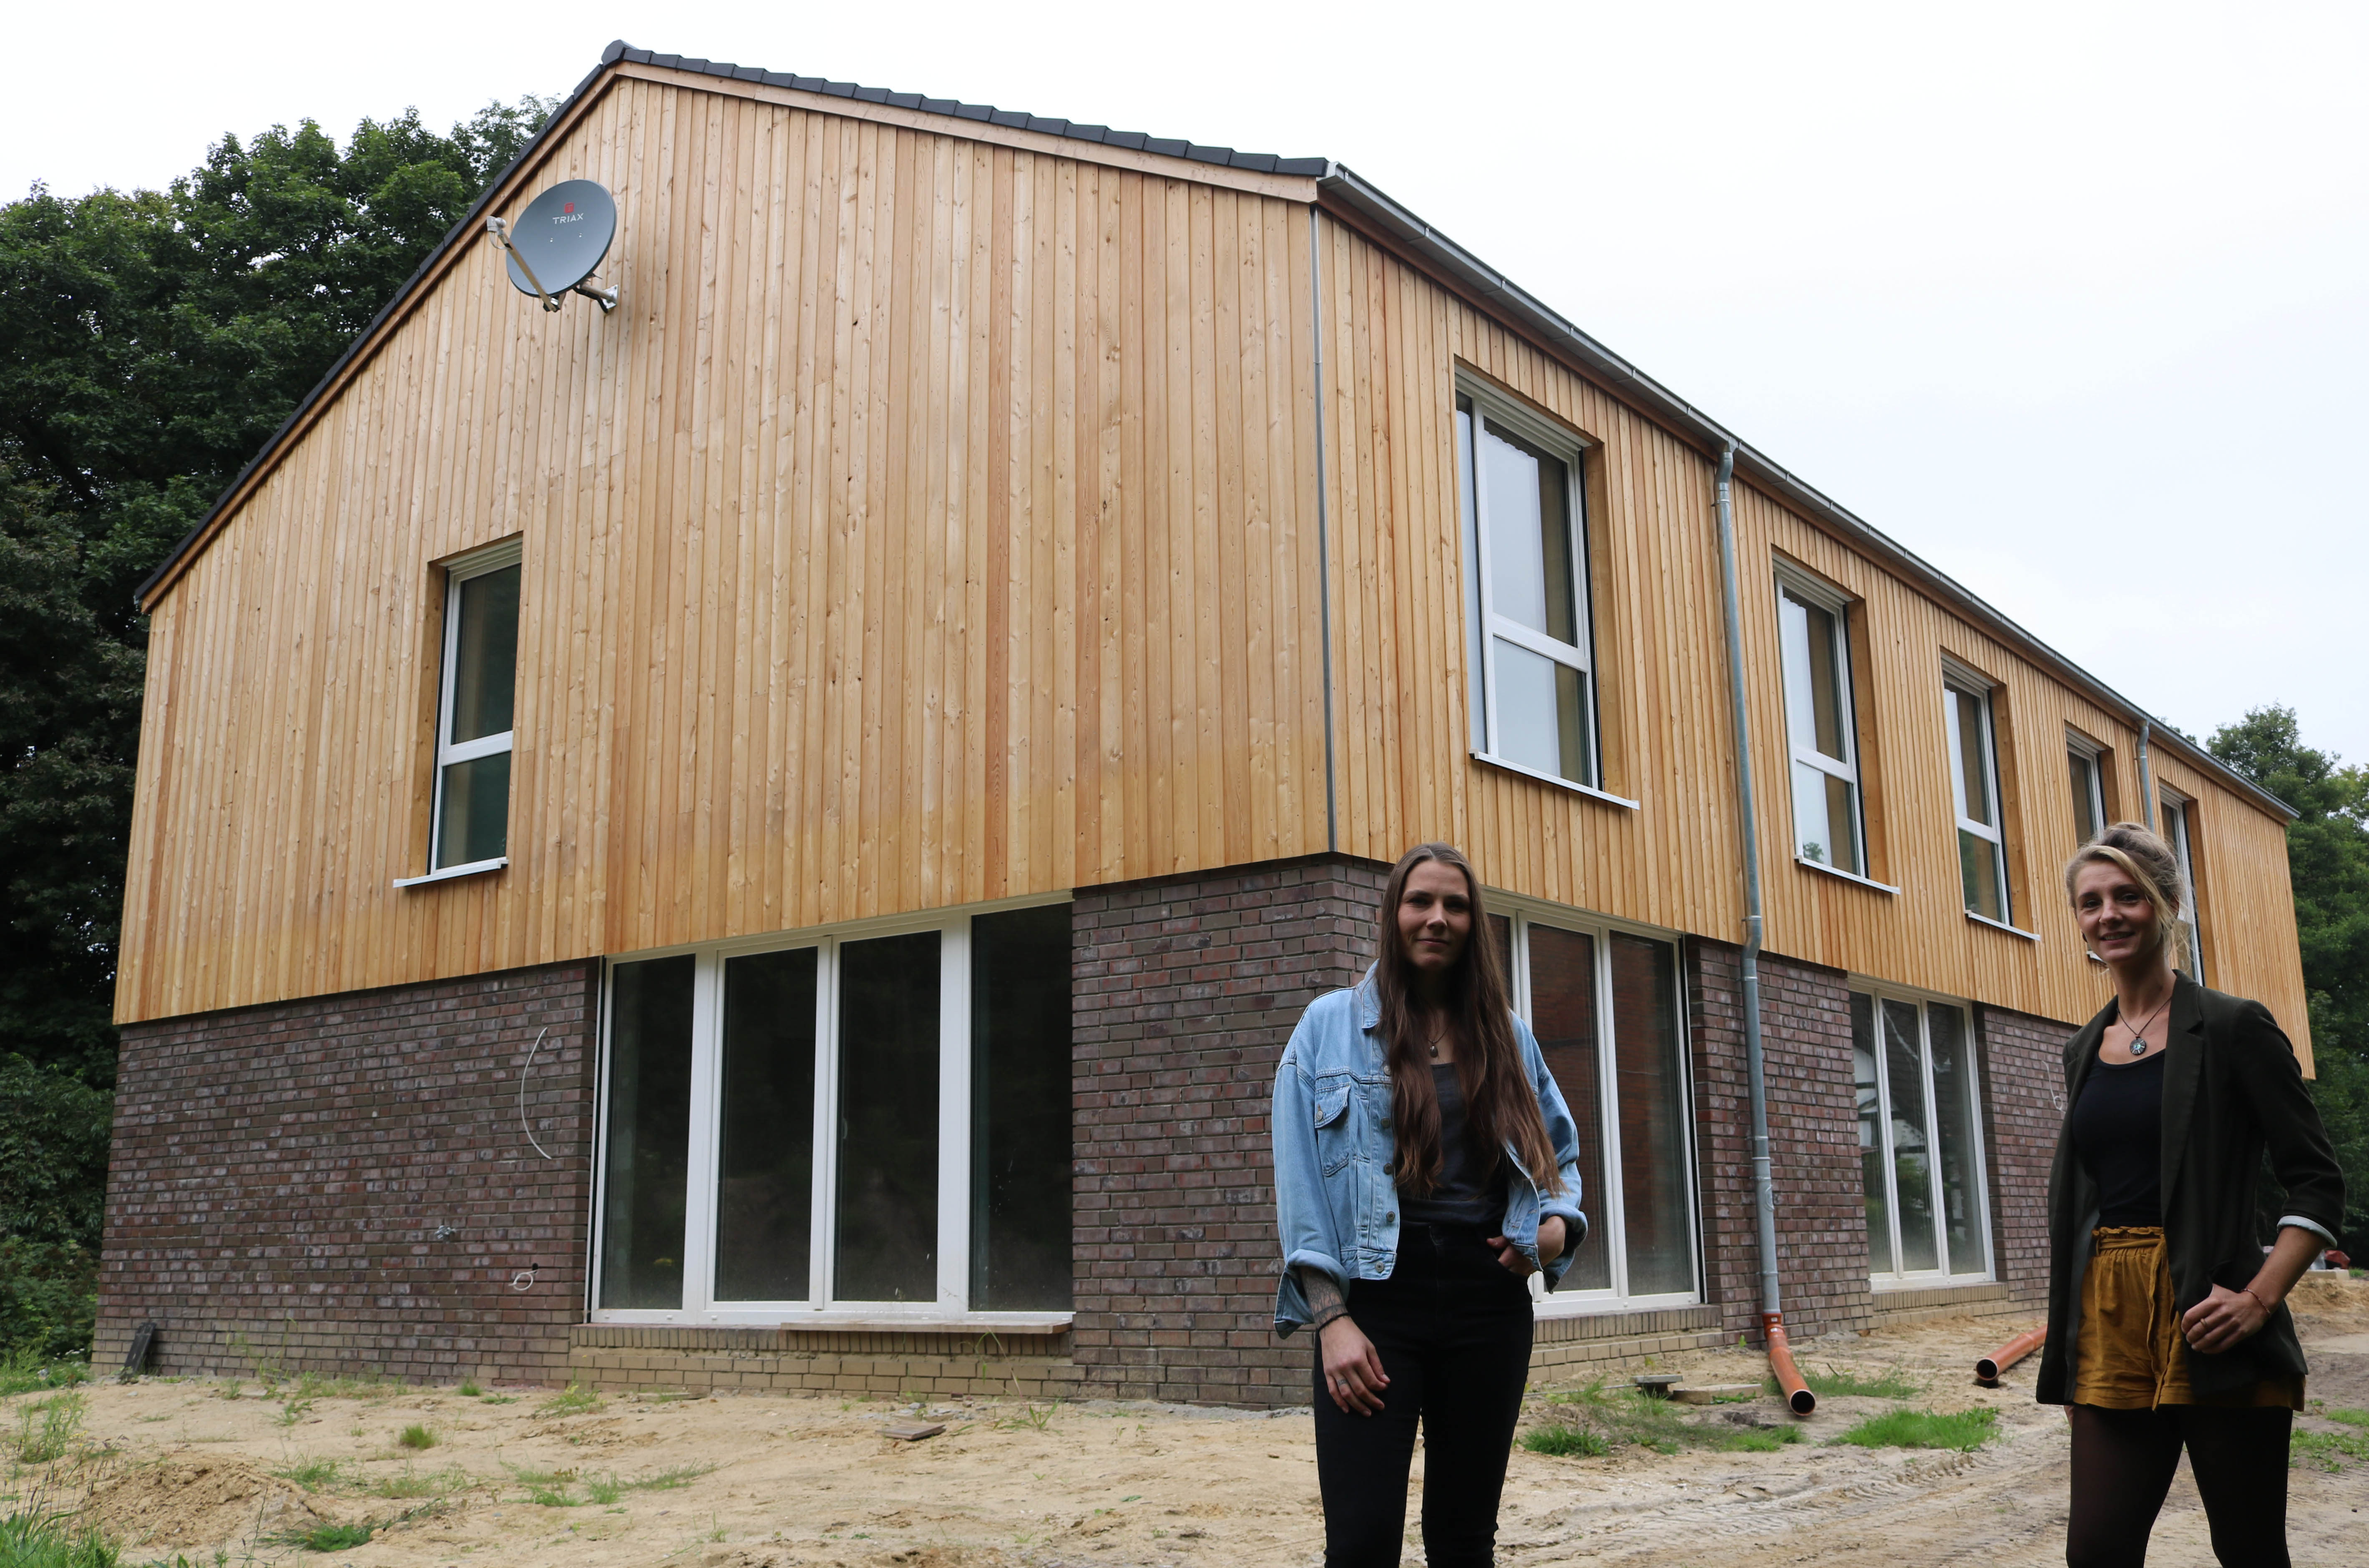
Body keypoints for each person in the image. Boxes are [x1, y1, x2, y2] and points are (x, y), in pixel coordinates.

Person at [2034, 822, 2345, 1568]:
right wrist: (2076, 1337)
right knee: (2098, 1552)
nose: (2108, 914)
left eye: (2127, 897)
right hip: (2109, 1314)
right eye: (2090, 901)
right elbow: (2086, 1204)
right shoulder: (2084, 1047)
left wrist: (2260, 1298)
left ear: (2167, 904)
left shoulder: (2235, 1027)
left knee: (2248, 1550)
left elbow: (2317, 1179)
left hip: (2215, 1313)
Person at [1272, 843, 1587, 1568]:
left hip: (1488, 1299)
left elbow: (1560, 1158)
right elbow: (1301, 1193)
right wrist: (1332, 1320)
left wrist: (1553, 1230)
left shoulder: (1507, 1037)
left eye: (1456, 905)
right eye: (1421, 902)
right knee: (1359, 1542)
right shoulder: (1326, 1029)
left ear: (1474, 923)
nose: (1437, 918)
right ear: (1394, 915)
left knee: (1465, 1539)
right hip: (1378, 1302)